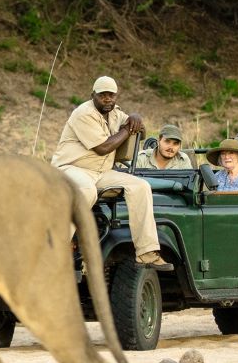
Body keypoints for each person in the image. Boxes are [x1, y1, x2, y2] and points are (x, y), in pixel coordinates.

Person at [52, 75, 173, 271]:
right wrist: (127, 129)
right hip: (71, 168)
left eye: (111, 95)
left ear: (116, 96)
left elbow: (140, 132)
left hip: (101, 171)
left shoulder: (115, 113)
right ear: (93, 95)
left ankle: (146, 252)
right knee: (86, 190)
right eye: (103, 95)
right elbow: (103, 147)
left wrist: (136, 118)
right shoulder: (83, 113)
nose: (107, 99)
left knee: (141, 186)